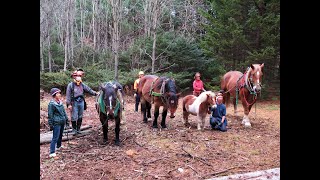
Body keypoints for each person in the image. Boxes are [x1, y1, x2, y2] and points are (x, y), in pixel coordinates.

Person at [66, 69, 98, 134]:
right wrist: (68, 104)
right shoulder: (70, 85)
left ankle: (78, 129)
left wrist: (96, 93)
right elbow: (68, 95)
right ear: (73, 76)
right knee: (74, 116)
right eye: (77, 75)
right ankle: (74, 130)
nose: (78, 77)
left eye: (80, 76)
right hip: (74, 102)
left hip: (81, 102)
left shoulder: (82, 84)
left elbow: (89, 90)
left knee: (80, 116)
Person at [48, 88, 69, 158]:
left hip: (62, 121)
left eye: (59, 93)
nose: (59, 94)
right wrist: (51, 124)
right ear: (54, 95)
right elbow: (50, 115)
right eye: (57, 93)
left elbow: (64, 112)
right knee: (55, 137)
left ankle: (59, 146)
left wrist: (67, 120)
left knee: (60, 135)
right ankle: (52, 152)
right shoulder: (51, 104)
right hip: (56, 122)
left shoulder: (60, 102)